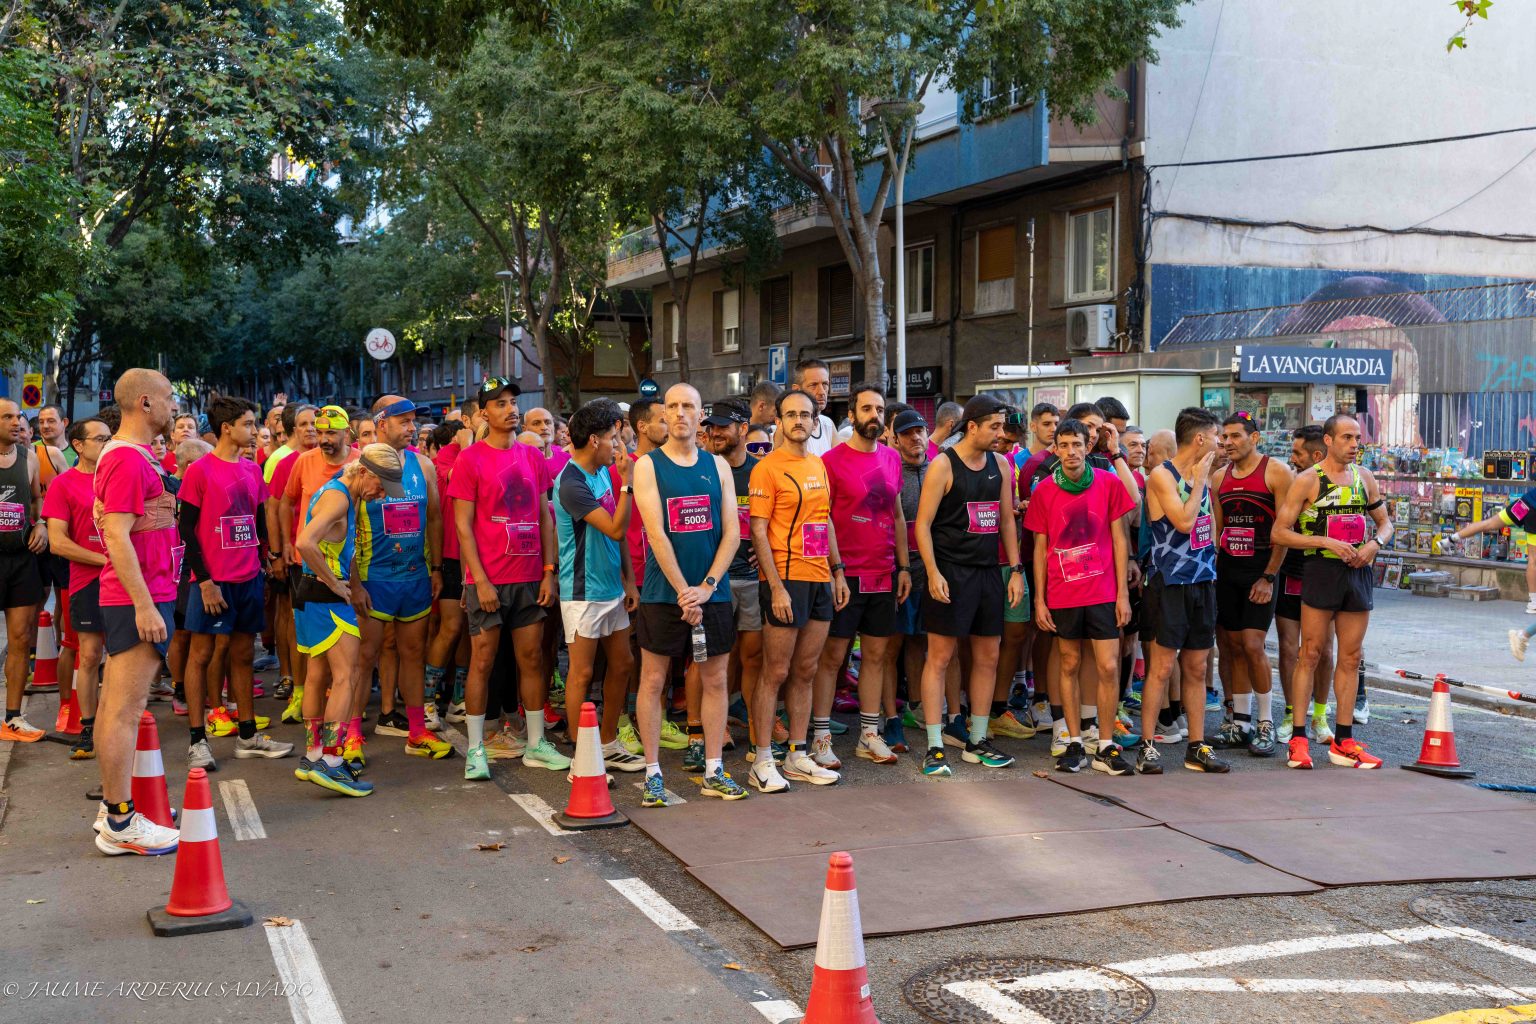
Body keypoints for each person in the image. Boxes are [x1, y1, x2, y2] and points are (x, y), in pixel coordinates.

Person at [632, 384, 747, 803]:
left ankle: (714, 770)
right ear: (664, 414)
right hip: (664, 595)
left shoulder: (718, 466)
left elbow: (733, 533)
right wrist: (685, 592)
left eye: (688, 406)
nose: (680, 413)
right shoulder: (648, 466)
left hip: (711, 594)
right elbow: (656, 533)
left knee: (715, 679)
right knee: (654, 681)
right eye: (673, 406)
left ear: (701, 416)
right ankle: (652, 773)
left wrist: (707, 588)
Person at [449, 377, 566, 782]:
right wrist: (479, 581)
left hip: (530, 576)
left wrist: (549, 571)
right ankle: (476, 749)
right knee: (482, 661)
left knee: (531, 658)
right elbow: (463, 527)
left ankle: (535, 744)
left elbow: (545, 517)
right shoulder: (470, 460)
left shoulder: (532, 456)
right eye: (500, 403)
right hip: (488, 579)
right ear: (484, 413)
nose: (511, 409)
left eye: (513, 401)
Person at [91, 369, 182, 854]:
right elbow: (116, 535)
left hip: (143, 592)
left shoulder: (135, 455)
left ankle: (114, 808)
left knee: (117, 706)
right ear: (145, 403)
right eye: (168, 397)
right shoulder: (127, 458)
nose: (174, 405)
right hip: (137, 597)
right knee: (125, 710)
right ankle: (120, 821)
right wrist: (145, 605)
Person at [913, 395, 1026, 777]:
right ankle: (934, 745)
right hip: (950, 571)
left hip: (988, 572)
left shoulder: (1001, 464)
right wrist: (932, 572)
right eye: (994, 426)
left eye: (1002, 426)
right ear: (972, 426)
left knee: (988, 656)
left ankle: (977, 740)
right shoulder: (943, 465)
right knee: (940, 657)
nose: (1001, 433)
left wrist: (1015, 569)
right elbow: (922, 525)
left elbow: (1007, 521)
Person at [1271, 414, 1392, 770]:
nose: (1354, 444)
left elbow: (1385, 523)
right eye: (1346, 438)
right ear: (1328, 440)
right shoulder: (1308, 480)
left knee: (1351, 657)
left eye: (1357, 438)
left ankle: (1344, 740)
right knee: (1310, 653)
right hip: (1321, 570)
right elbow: (1280, 533)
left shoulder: (1364, 477)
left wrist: (1374, 544)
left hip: (1357, 571)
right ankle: (1298, 739)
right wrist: (1324, 541)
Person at [178, 396, 293, 770]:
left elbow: (257, 522)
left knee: (243, 654)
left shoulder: (252, 470)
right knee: (201, 655)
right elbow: (186, 530)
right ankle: (198, 740)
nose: (254, 430)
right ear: (227, 428)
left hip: (248, 578)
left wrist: (265, 564)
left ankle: (248, 735)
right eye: (248, 423)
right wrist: (204, 581)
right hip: (214, 581)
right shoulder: (199, 471)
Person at [292, 445, 410, 796]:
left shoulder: (341, 492)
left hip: (311, 593)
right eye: (381, 486)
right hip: (326, 596)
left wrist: (353, 585)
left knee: (317, 675)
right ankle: (331, 761)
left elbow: (342, 549)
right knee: (347, 676)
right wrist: (335, 584)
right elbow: (305, 542)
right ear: (364, 472)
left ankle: (314, 755)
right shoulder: (339, 498)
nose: (381, 495)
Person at [745, 389, 847, 792]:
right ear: (779, 421)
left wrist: (837, 571)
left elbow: (825, 520)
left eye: (805, 414)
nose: (799, 421)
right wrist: (775, 587)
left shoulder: (818, 464)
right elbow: (757, 530)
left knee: (806, 671)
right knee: (776, 672)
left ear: (815, 421)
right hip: (785, 580)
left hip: (819, 578)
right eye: (791, 415)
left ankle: (797, 754)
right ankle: (762, 759)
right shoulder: (766, 468)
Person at [1025, 417, 1135, 774]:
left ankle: (1105, 744)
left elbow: (1120, 539)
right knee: (1069, 664)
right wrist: (1039, 600)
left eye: (1077, 444)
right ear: (1055, 449)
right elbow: (1039, 548)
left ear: (1088, 447)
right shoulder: (1044, 490)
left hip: (1103, 590)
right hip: (1062, 592)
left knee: (1108, 666)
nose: (1071, 451)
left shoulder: (1108, 482)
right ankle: (1073, 742)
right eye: (1064, 445)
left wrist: (1123, 594)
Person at [810, 383, 907, 769]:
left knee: (877, 655)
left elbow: (897, 516)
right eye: (866, 409)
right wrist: (833, 571)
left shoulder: (892, 458)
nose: (874, 416)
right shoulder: (830, 461)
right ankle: (820, 737)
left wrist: (903, 567)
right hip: (844, 574)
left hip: (884, 573)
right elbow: (822, 519)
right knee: (832, 657)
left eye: (879, 409)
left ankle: (869, 734)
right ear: (851, 415)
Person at [352, 396, 451, 760]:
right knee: (365, 657)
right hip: (374, 578)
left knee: (413, 653)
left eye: (414, 421)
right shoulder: (359, 466)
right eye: (404, 421)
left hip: (415, 577)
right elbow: (344, 528)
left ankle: (417, 732)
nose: (413, 428)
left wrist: (436, 568)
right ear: (382, 423)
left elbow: (435, 517)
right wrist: (354, 583)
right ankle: (350, 735)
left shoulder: (422, 465)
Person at [554, 399, 642, 773]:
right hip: (582, 593)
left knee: (622, 664)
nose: (618, 446)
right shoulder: (571, 483)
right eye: (612, 438)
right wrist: (628, 484)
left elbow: (616, 536)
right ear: (594, 440)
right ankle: (583, 757)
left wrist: (629, 581)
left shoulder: (602, 471)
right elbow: (617, 527)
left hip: (611, 589)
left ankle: (606, 743)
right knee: (582, 673)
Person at [1139, 407, 1229, 775]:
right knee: (1162, 667)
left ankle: (1196, 745)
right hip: (1171, 583)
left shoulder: (1203, 475)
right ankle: (1147, 746)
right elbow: (1184, 521)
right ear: (1200, 438)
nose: (1221, 442)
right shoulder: (1162, 476)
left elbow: (1210, 525)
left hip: (1202, 581)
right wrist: (1200, 481)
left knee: (1197, 665)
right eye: (1217, 436)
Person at [1209, 413, 1293, 757]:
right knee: (1230, 646)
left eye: (1235, 436)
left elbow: (1284, 532)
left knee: (1253, 644)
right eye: (1224, 437)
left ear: (1254, 437)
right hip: (1228, 570)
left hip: (1262, 570)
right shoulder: (1219, 477)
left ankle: (1265, 722)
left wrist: (1269, 576)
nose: (1227, 443)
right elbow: (1217, 531)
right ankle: (1240, 723)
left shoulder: (1277, 472)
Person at [44, 419, 109, 761]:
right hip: (87, 581)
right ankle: (88, 726)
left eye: (110, 438)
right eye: (100, 439)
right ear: (79, 445)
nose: (107, 444)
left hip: (125, 579)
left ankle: (118, 724)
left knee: (123, 657)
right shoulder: (64, 484)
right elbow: (57, 542)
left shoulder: (119, 478)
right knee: (90, 655)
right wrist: (107, 560)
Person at [705, 399, 767, 756]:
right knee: (716, 658)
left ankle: (757, 724)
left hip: (752, 579)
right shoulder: (702, 468)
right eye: (711, 427)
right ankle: (715, 726)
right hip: (714, 582)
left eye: (722, 426)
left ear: (743, 429)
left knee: (753, 657)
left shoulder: (760, 471)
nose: (714, 433)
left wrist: (767, 547)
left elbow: (772, 519)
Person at [1274, 426, 1334, 743]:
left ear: (1317, 454)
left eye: (1297, 453)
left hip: (1325, 576)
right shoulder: (1291, 483)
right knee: (1288, 648)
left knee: (1323, 650)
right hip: (1292, 573)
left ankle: (1320, 717)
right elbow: (1279, 531)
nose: (1292, 458)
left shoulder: (1341, 483)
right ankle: (1290, 714)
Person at [0, 399, 49, 743]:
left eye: (18, 416)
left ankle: (12, 718)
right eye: (7, 417)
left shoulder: (29, 457)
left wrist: (42, 524)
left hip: (20, 558)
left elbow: (36, 499)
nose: (17, 422)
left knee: (20, 638)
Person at [787, 360, 837, 456]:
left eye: (825, 384)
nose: (822, 392)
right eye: (813, 385)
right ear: (797, 389)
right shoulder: (786, 425)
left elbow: (842, 460)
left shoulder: (827, 423)